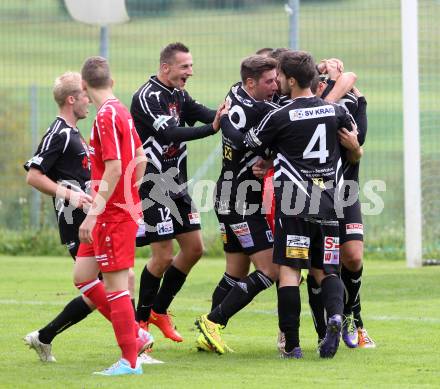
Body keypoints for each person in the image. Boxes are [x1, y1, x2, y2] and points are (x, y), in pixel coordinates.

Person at [243, 50, 362, 359]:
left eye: (280, 76)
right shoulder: (334, 111)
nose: (278, 81)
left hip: (294, 203)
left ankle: (293, 346)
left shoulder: (280, 115)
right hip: (330, 202)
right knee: (327, 271)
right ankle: (335, 316)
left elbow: (252, 142)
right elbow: (353, 140)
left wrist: (270, 152)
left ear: (292, 80)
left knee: (290, 273)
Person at [130, 42, 223, 342]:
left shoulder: (179, 94)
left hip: (177, 186)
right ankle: (139, 325)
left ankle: (159, 310)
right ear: (166, 67)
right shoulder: (146, 97)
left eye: (191, 66)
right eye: (185, 67)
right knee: (162, 257)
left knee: (194, 249)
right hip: (153, 186)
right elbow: (169, 132)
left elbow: (205, 113)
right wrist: (212, 128)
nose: (190, 72)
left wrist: (231, 111)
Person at [194, 55, 279, 354]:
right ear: (251, 83)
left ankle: (207, 333)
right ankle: (213, 321)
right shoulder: (257, 108)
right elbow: (241, 139)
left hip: (229, 196)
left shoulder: (236, 91)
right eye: (269, 81)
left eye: (277, 79)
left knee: (236, 272)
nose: (275, 85)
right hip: (241, 201)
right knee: (271, 270)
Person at [73, 56, 150, 376]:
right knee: (82, 276)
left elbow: (117, 166)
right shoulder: (121, 110)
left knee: (117, 286)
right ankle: (137, 334)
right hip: (116, 211)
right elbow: (140, 158)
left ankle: (129, 361)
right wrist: (133, 197)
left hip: (110, 216)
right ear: (112, 82)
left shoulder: (106, 115)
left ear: (84, 87)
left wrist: (96, 212)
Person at [23, 71, 94, 362]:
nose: (90, 99)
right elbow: (34, 176)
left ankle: (44, 337)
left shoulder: (75, 133)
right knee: (109, 287)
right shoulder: (59, 133)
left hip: (90, 222)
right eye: (85, 94)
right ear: (71, 99)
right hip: (75, 226)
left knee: (106, 288)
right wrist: (70, 195)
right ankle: (136, 346)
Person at [310, 67, 375, 349]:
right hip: (313, 195)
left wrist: (356, 149)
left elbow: (358, 143)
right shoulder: (306, 106)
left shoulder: (347, 104)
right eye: (324, 69)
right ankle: (320, 331)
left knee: (354, 257)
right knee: (320, 267)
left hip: (346, 192)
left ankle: (352, 317)